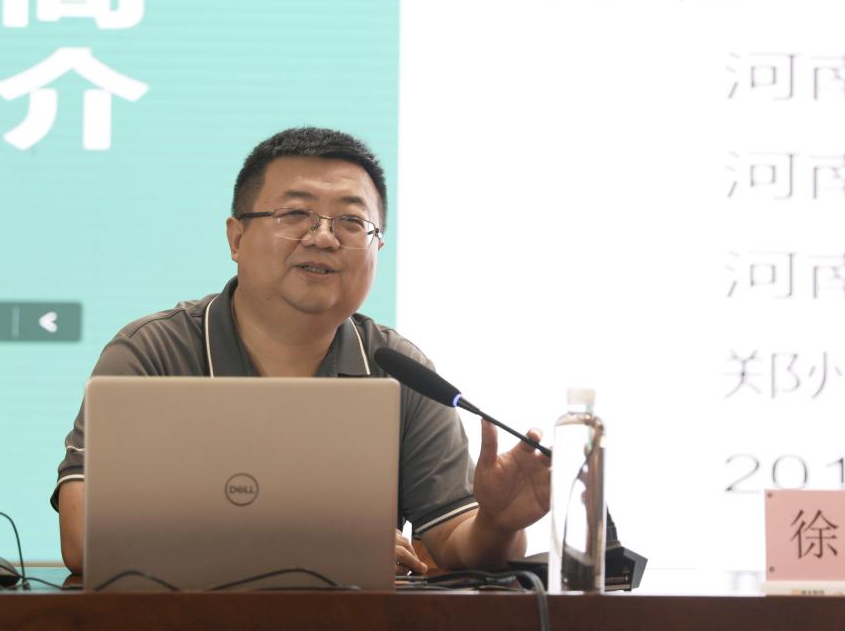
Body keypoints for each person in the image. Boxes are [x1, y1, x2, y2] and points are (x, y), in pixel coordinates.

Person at [53, 127, 550, 575]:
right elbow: (82, 537)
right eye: (295, 214)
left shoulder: (400, 369)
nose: (324, 237)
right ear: (236, 237)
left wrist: (498, 523)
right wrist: (314, 548)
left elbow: (458, 545)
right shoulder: (153, 352)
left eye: (352, 221)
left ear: (378, 248)